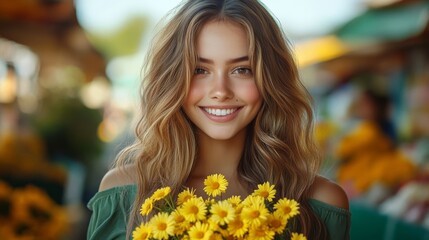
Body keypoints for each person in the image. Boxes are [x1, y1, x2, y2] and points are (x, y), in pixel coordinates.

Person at [87, 0, 351, 239]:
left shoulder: (320, 203)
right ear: (173, 79)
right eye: (200, 70)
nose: (221, 91)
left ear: (270, 80)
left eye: (241, 70)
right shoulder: (123, 193)